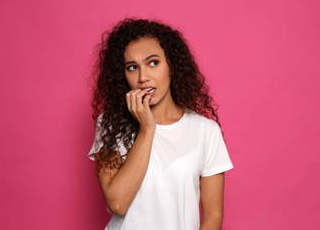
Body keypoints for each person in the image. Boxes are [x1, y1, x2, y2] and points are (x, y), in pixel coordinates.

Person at [88, 18, 233, 230]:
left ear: (171, 66)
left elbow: (213, 216)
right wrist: (147, 129)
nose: (143, 77)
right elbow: (117, 202)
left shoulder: (205, 132)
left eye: (153, 63)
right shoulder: (110, 125)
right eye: (132, 67)